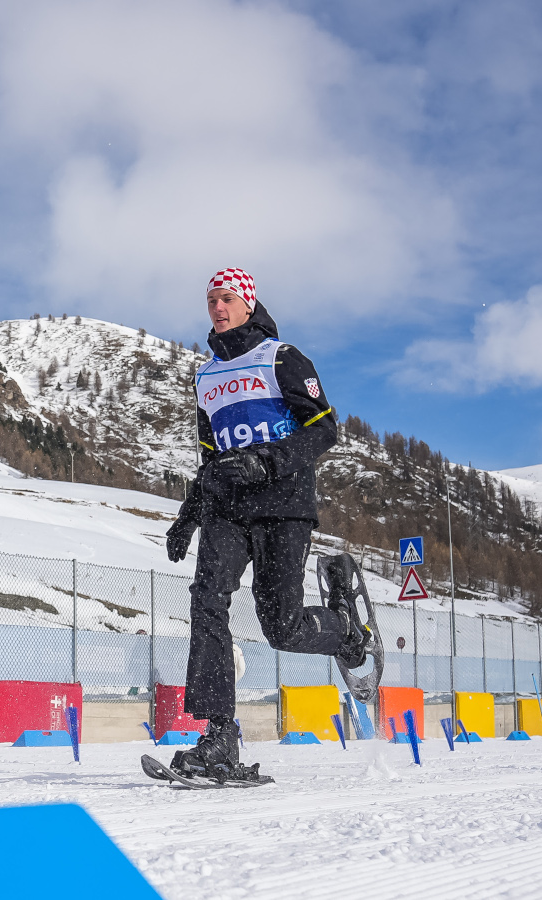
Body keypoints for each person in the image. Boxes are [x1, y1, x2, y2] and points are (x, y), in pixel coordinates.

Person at [163, 267, 367, 782]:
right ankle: (218, 737)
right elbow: (210, 457)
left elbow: (324, 431)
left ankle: (343, 628)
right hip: (228, 509)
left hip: (284, 504)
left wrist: (267, 462)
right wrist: (188, 516)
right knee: (207, 599)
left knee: (282, 627)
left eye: (227, 298)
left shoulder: (281, 358)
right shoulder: (205, 377)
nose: (217, 308)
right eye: (211, 300)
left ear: (248, 304)